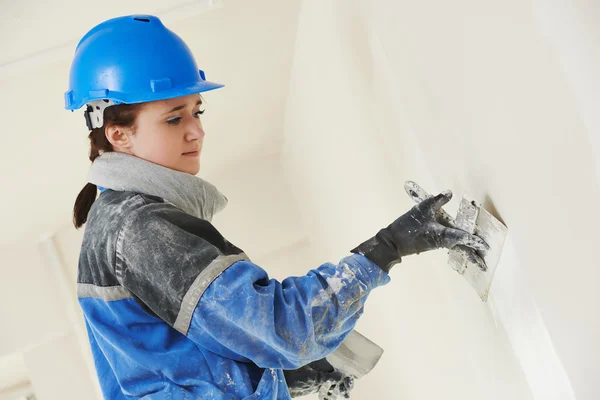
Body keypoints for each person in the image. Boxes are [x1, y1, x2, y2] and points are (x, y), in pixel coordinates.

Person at [67, 14, 489, 400]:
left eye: (198, 111)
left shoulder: (116, 225)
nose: (197, 131)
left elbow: (174, 364)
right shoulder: (139, 230)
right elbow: (281, 331)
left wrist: (281, 377)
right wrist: (388, 247)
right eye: (174, 119)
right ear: (119, 135)